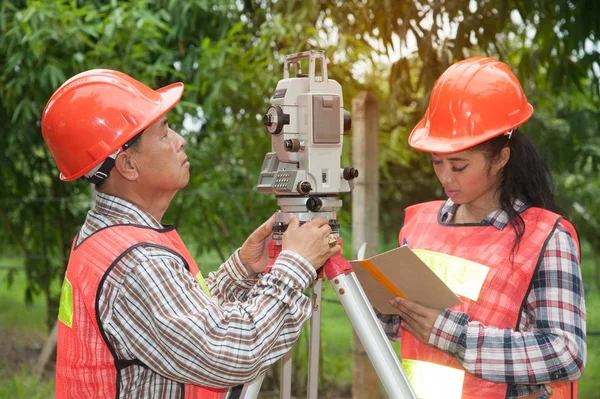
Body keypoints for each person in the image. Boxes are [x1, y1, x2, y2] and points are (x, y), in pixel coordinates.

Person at [41, 69, 341, 398]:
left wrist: (242, 268)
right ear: (128, 165)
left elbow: (175, 320)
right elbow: (231, 352)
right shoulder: (138, 263)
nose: (179, 140)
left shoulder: (108, 238)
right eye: (164, 131)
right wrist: (295, 265)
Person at [379, 57, 586, 399]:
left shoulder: (545, 238)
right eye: (436, 162)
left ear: (501, 158)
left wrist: (453, 335)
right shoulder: (418, 227)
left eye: (458, 166)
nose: (445, 177)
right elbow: (403, 327)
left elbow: (566, 353)